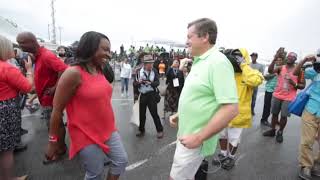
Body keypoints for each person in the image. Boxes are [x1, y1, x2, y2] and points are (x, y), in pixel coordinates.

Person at [45, 31, 128, 180]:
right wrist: (53, 142)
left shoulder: (99, 69)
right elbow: (57, 110)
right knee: (95, 173)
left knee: (121, 161)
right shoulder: (73, 74)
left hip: (108, 129)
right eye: (105, 50)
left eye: (110, 50)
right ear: (90, 48)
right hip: (84, 134)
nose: (109, 54)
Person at [169, 18, 239, 180]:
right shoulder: (200, 61)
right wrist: (182, 114)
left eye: (189, 37)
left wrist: (199, 137)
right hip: (187, 135)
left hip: (195, 138)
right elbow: (202, 97)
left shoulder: (218, 62)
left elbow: (230, 108)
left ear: (205, 37)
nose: (186, 42)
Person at [16, 32, 68, 161]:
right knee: (52, 126)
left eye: (22, 43)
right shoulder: (38, 56)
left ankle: (60, 149)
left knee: (56, 126)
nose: (20, 46)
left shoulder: (46, 55)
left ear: (32, 42)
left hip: (51, 100)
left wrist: (55, 87)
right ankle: (59, 147)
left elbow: (64, 69)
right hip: (45, 100)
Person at [212, 48, 264, 170]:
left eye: (238, 57)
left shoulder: (248, 73)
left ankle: (231, 156)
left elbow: (256, 80)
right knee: (222, 135)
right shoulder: (227, 73)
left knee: (234, 139)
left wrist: (243, 64)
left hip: (238, 114)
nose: (235, 60)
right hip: (222, 111)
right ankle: (223, 153)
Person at [0, 35, 34, 180]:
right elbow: (27, 87)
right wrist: (29, 70)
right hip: (5, 110)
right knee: (6, 151)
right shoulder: (7, 68)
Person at [263, 50, 305, 143]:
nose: (290, 58)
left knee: (283, 116)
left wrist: (293, 83)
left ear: (295, 59)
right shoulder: (280, 68)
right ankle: (273, 130)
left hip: (289, 98)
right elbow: (270, 71)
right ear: (287, 58)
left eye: (293, 57)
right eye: (289, 56)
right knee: (274, 114)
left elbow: (302, 86)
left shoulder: (299, 71)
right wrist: (274, 58)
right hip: (277, 95)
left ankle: (280, 132)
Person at [294, 51, 320, 180]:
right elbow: (297, 72)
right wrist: (306, 60)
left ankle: (316, 163)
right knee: (307, 140)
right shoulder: (314, 70)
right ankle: (306, 166)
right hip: (311, 109)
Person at [134, 54, 164, 139]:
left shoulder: (154, 70)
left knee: (154, 114)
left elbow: (157, 83)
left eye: (152, 63)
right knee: (142, 114)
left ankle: (159, 130)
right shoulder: (139, 71)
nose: (151, 65)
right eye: (149, 63)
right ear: (144, 64)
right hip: (143, 95)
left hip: (151, 95)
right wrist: (139, 82)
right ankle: (141, 130)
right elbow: (134, 83)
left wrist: (150, 83)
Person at [260, 57, 283, 126]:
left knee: (276, 107)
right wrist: (274, 74)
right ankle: (264, 120)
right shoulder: (270, 68)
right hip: (269, 89)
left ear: (282, 61)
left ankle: (275, 120)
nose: (278, 61)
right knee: (267, 106)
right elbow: (265, 77)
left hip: (278, 91)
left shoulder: (283, 69)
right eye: (277, 60)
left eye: (280, 60)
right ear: (275, 61)